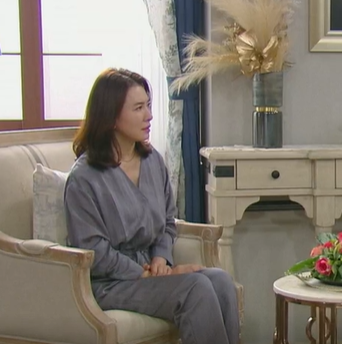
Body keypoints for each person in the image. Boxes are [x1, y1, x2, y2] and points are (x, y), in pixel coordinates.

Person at [64, 68, 240, 344]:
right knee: (195, 288)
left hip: (153, 270)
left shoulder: (152, 160)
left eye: (148, 105)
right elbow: (94, 252)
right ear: (111, 116)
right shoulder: (84, 178)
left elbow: (168, 221)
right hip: (112, 282)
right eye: (138, 108)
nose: (149, 115)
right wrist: (145, 274)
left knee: (221, 282)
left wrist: (161, 259)